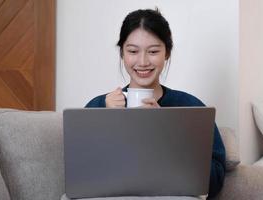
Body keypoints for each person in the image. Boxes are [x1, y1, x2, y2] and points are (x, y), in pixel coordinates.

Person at [85, 8, 226, 198]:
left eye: (153, 51)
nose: (142, 62)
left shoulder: (191, 106)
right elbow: (83, 167)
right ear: (122, 53)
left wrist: (164, 131)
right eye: (133, 51)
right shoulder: (99, 106)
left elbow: (215, 179)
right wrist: (106, 115)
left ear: (166, 53)